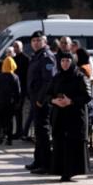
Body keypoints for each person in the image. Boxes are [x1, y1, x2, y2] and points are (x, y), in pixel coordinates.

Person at [45, 49, 93, 182]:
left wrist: (71, 101)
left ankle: (70, 171)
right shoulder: (57, 77)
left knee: (72, 144)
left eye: (68, 61)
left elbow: (87, 96)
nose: (65, 63)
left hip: (75, 116)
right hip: (59, 115)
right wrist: (54, 101)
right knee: (60, 143)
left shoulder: (79, 76)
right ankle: (60, 170)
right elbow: (48, 94)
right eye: (62, 61)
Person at [25, 31, 56, 174]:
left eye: (39, 40)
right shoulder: (36, 56)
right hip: (35, 99)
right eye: (33, 41)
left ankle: (46, 163)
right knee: (38, 131)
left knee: (43, 132)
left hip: (42, 101)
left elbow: (48, 81)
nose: (36, 43)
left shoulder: (46, 57)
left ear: (45, 42)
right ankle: (38, 160)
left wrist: (40, 100)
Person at [0, 55, 21, 146]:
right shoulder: (15, 77)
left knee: (0, 119)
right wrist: (18, 101)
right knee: (9, 120)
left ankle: (1, 133)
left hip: (0, 102)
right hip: (10, 102)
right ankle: (9, 138)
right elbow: (18, 91)